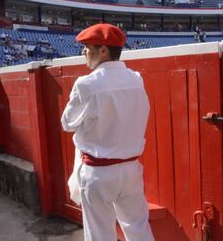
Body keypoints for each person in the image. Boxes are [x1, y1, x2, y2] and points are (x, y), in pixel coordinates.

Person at [61, 23, 154, 241]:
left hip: (98, 173)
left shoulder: (86, 84)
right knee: (138, 228)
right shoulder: (136, 79)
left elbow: (67, 123)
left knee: (100, 234)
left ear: (103, 50)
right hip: (130, 169)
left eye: (87, 47)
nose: (84, 51)